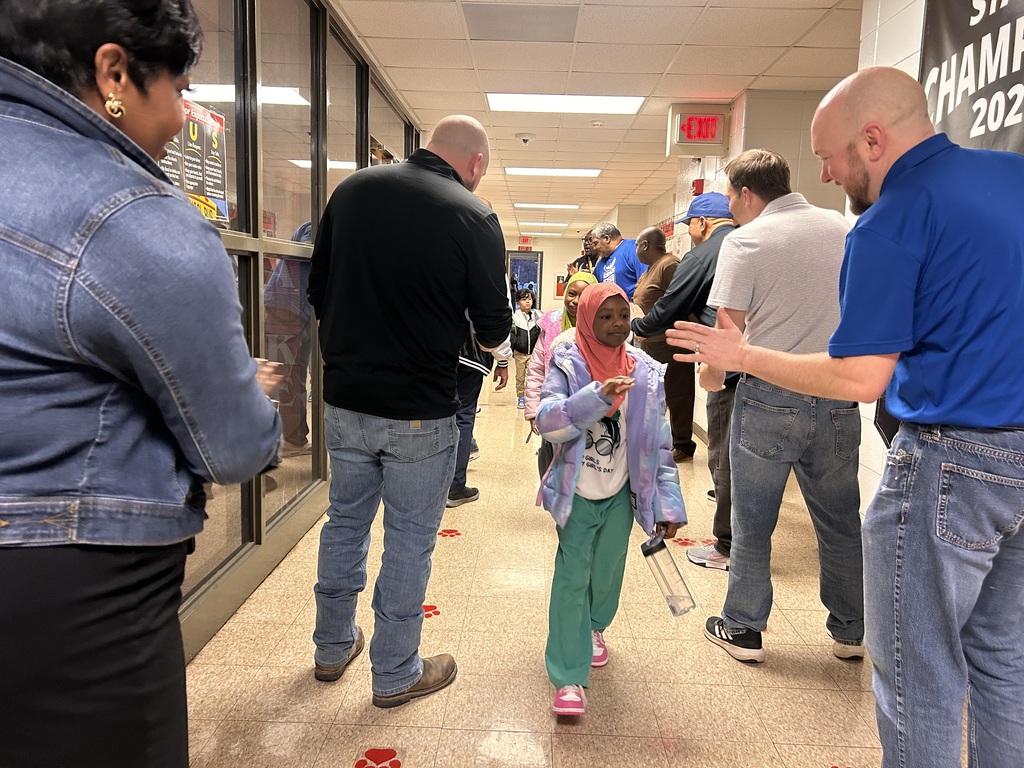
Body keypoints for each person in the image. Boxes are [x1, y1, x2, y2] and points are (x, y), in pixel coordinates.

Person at [668, 66, 1024, 768]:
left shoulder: (890, 218)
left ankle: (743, 624)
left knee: (919, 673)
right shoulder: (1012, 178)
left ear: (872, 139)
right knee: (1001, 657)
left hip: (947, 460)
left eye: (830, 155)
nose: (826, 174)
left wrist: (741, 355)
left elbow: (863, 376)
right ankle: (846, 625)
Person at [0, 3, 284, 766]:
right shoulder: (130, 211)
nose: (183, 116)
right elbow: (235, 444)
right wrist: (244, 393)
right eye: (180, 89)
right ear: (114, 72)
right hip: (72, 594)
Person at [308, 114, 511, 708]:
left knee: (344, 521)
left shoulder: (351, 190)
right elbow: (495, 326)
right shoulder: (473, 215)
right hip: (420, 410)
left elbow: (318, 290)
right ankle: (396, 672)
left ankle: (330, 646)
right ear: (475, 164)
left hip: (345, 400)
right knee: (408, 540)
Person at [688, 148, 865, 665]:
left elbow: (729, 331)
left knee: (753, 520)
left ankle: (743, 627)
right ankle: (850, 631)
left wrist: (712, 378)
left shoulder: (746, 241)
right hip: (837, 393)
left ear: (746, 195)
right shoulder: (841, 227)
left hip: (768, 396)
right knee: (838, 521)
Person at [536, 282, 686, 716]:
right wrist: (594, 399)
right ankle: (567, 676)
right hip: (576, 491)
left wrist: (667, 506)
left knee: (606, 574)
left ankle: (594, 627)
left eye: (624, 315)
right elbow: (549, 422)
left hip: (622, 494)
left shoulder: (645, 371)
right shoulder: (567, 362)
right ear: (586, 319)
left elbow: (658, 444)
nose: (618, 324)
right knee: (571, 576)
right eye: (606, 316)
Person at [631, 193, 737, 569]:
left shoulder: (701, 255)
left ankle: (727, 546)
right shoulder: (748, 242)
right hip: (767, 368)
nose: (689, 232)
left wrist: (638, 327)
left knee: (724, 455)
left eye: (689, 224)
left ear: (702, 223)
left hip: (727, 369)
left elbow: (671, 305)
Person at [630, 225, 696, 462]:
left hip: (673, 343)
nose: (636, 250)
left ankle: (683, 445)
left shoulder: (670, 265)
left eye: (637, 245)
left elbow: (680, 302)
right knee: (657, 394)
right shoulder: (650, 269)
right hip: (652, 343)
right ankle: (661, 439)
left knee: (678, 395)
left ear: (645, 245)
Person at [525, 271, 599, 477]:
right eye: (571, 294)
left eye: (583, 296)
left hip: (591, 413)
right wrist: (533, 411)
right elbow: (537, 370)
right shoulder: (551, 324)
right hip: (554, 408)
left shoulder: (602, 325)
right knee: (552, 464)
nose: (575, 301)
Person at [264, 221, 314, 457]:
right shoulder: (318, 224)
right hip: (285, 309)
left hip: (296, 310)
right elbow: (307, 248)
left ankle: (293, 436)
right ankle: (282, 441)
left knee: (294, 375)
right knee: (284, 376)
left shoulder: (316, 223)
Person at [448, 327, 509, 507]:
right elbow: (494, 318)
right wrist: (502, 360)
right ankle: (455, 487)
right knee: (463, 417)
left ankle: (429, 484)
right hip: (469, 356)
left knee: (435, 414)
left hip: (434, 349)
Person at [590, 222, 647, 300]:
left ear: (607, 239)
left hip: (632, 308)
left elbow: (646, 282)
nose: (594, 248)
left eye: (596, 243)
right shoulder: (601, 262)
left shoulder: (632, 250)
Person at [511, 288, 542, 409]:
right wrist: (514, 346)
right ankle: (521, 396)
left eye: (529, 299)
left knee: (532, 376)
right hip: (520, 353)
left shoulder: (538, 315)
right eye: (524, 300)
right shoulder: (515, 317)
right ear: (518, 302)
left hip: (533, 353)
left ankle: (531, 397)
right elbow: (511, 335)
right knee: (520, 376)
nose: (528, 302)